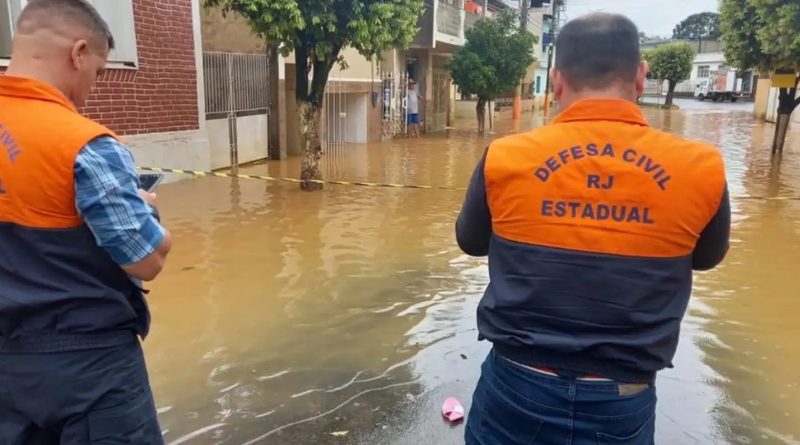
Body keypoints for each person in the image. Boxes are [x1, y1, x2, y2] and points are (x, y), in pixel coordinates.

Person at [457, 13, 730, 445]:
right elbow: (706, 258)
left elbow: (470, 242)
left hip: (517, 387)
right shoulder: (702, 168)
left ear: (558, 80)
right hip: (623, 399)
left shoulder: (504, 158)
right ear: (641, 77)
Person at [0, 1, 171, 443]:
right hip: (89, 369)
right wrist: (144, 206)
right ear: (78, 53)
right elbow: (145, 259)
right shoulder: (84, 143)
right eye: (96, 73)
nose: (90, 91)